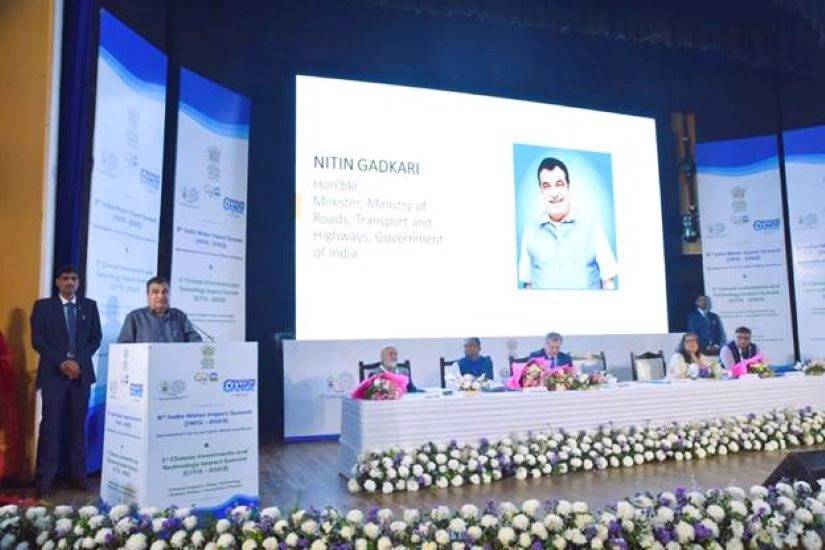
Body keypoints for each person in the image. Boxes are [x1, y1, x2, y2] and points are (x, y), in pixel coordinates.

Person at [30, 265, 102, 497]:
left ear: (78, 283)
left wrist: (77, 362)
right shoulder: (43, 307)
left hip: (80, 376)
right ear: (57, 283)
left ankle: (78, 477)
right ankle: (44, 481)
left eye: (74, 278)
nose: (70, 282)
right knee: (50, 428)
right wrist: (63, 362)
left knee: (77, 428)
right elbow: (38, 341)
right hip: (53, 375)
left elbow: (95, 338)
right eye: (65, 278)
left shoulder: (89, 306)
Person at [518, 157, 618, 290]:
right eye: (547, 186)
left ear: (568, 186)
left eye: (559, 184)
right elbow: (527, 285)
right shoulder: (530, 230)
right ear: (541, 190)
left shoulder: (593, 226)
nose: (554, 193)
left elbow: (608, 283)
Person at [118, 276, 202, 343]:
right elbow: (123, 346)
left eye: (164, 292)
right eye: (155, 292)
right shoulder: (135, 317)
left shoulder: (179, 316)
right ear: (148, 295)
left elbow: (195, 341)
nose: (161, 296)